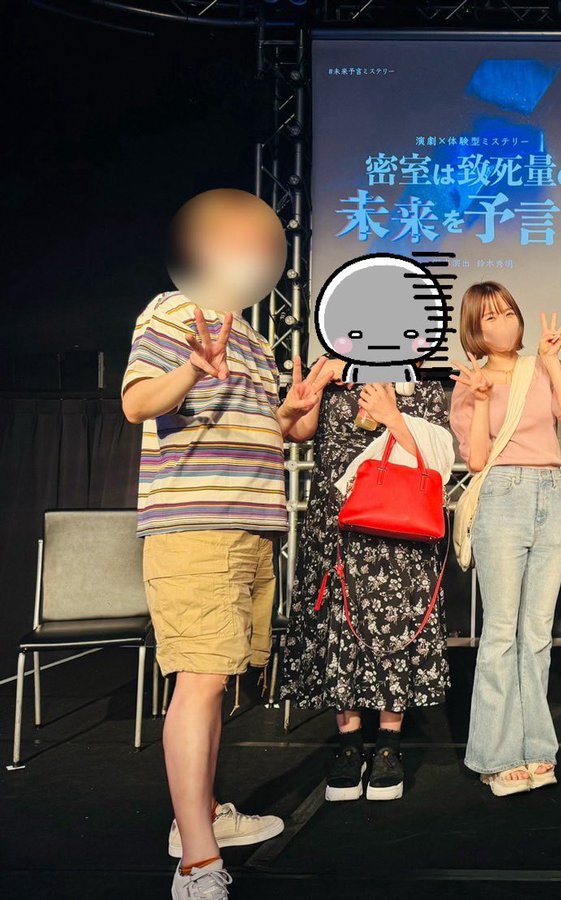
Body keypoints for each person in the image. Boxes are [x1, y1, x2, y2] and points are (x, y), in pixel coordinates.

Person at [121, 189, 335, 899]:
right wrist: (190, 368)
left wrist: (295, 412)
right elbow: (137, 402)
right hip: (195, 525)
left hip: (251, 526)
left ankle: (204, 816)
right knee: (201, 678)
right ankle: (196, 864)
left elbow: (272, 431)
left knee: (219, 680)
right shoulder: (173, 311)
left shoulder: (252, 339)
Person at [280, 360, 453, 803]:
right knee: (340, 625)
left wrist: (392, 415)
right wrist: (319, 381)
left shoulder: (423, 388)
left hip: (398, 527)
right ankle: (349, 745)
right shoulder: (334, 381)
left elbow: (438, 462)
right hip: (336, 522)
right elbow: (296, 432)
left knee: (395, 625)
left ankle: (389, 745)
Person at [448, 282, 561, 796]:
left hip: (551, 494)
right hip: (502, 494)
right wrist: (482, 398)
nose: (503, 324)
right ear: (474, 330)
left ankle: (536, 748)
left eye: (508, 313)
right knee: (501, 632)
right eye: (490, 318)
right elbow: (477, 460)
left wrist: (549, 361)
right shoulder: (472, 380)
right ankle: (497, 755)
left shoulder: (546, 367)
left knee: (538, 634)